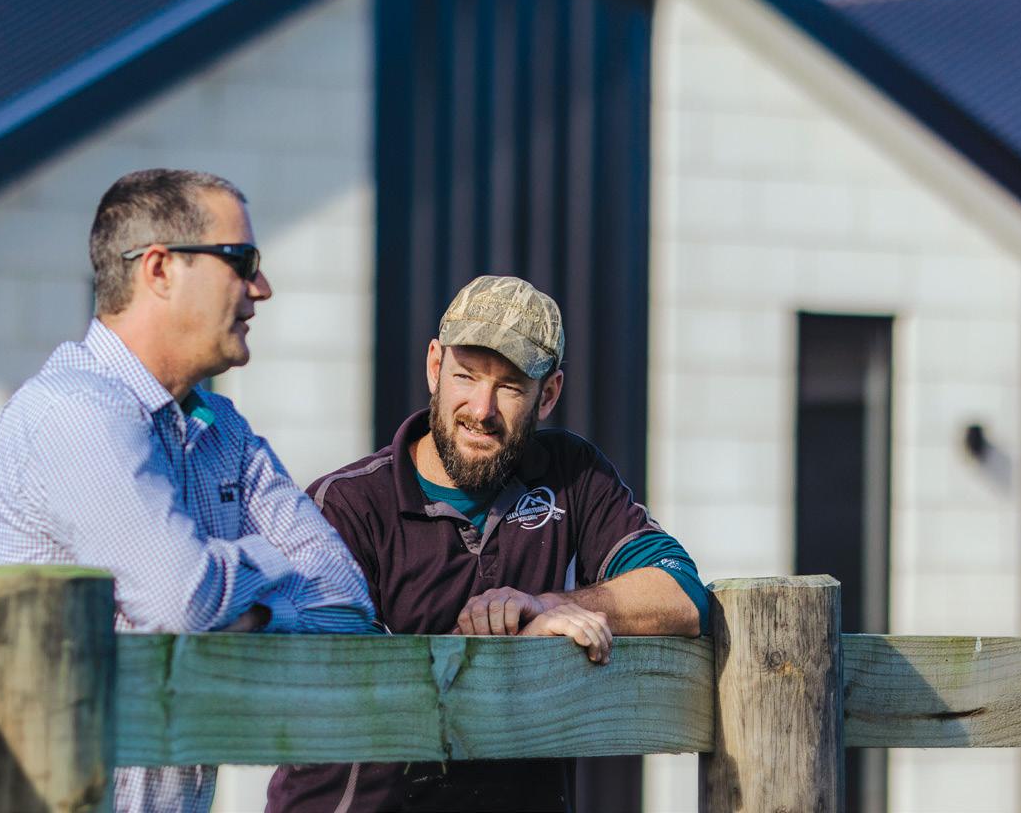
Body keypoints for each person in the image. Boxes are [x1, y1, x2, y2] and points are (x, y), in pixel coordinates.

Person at [0, 169, 375, 813]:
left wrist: (249, 614)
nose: (261, 288)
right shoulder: (75, 410)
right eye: (241, 261)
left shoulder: (221, 427)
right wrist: (273, 564)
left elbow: (348, 605)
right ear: (159, 269)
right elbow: (183, 599)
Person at [267, 275, 708, 813]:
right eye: (466, 375)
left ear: (548, 395)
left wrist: (549, 606)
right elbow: (360, 687)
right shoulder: (346, 504)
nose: (482, 409)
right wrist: (511, 649)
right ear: (435, 366)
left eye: (510, 386)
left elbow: (684, 595)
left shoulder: (572, 474)